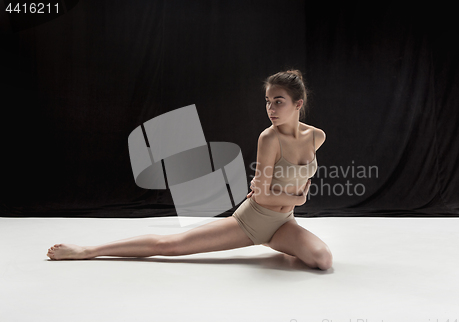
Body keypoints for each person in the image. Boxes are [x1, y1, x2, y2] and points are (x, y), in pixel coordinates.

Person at [47, 69, 333, 270]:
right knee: (169, 246)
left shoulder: (316, 137)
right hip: (252, 221)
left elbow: (276, 188)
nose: (271, 108)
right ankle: (89, 251)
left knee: (322, 260)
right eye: (268, 101)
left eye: (278, 102)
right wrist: (299, 199)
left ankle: (275, 243)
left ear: (298, 103)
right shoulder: (269, 138)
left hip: (284, 225)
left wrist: (285, 202)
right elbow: (261, 197)